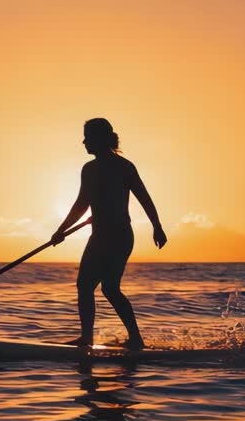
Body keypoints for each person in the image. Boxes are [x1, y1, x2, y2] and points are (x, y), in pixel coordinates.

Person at [51, 118, 166, 350]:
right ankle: (88, 338)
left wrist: (157, 226)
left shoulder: (125, 167)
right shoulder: (89, 169)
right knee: (88, 286)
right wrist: (61, 231)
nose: (84, 142)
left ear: (101, 138)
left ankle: (134, 339)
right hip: (99, 237)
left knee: (107, 288)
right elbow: (82, 204)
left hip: (119, 237)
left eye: (88, 137)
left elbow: (144, 198)